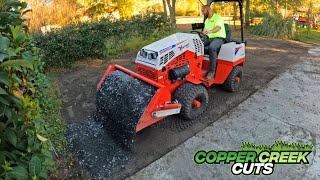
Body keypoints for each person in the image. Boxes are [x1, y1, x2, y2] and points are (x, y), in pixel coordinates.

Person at [201, 5, 226, 80]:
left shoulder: (217, 17)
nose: (202, 13)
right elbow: (205, 30)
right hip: (209, 38)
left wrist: (210, 31)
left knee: (212, 48)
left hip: (219, 38)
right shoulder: (207, 20)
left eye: (203, 11)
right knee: (196, 44)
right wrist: (204, 32)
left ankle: (212, 72)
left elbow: (218, 27)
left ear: (208, 10)